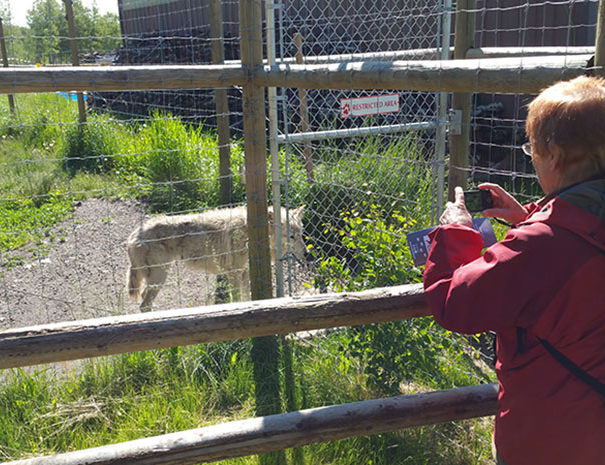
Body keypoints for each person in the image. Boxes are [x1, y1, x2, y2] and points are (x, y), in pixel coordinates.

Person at [423, 75, 605, 465]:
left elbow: (456, 302)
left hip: (552, 439)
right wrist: (530, 217)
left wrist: (455, 231)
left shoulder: (539, 248)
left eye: (532, 150)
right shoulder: (550, 239)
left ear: (553, 155)